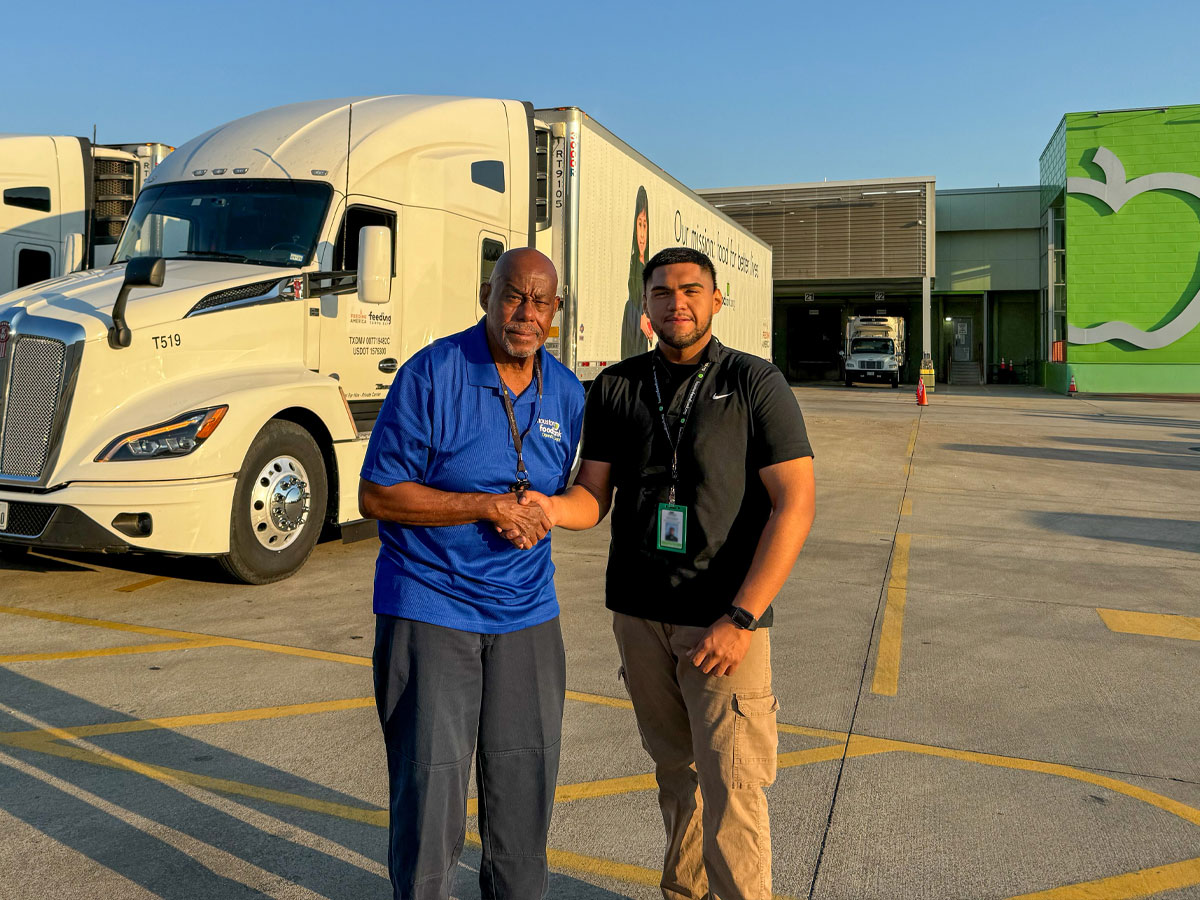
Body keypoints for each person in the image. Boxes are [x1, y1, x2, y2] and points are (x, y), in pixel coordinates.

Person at [523, 246, 815, 900]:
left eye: (690, 290)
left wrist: (741, 619)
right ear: (646, 305)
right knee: (675, 777)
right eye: (662, 292)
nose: (676, 302)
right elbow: (593, 496)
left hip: (723, 622)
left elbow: (795, 504)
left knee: (734, 789)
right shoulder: (619, 386)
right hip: (640, 619)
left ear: (716, 300)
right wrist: (546, 508)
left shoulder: (753, 383)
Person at [359, 248, 585, 900]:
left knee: (524, 791)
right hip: (431, 604)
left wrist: (543, 513)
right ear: (487, 295)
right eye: (513, 296)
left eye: (540, 301)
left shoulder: (566, 393)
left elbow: (572, 497)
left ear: (556, 311)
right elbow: (378, 494)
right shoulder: (433, 374)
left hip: (526, 614)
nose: (525, 313)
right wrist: (483, 505)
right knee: (430, 791)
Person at [621, 186, 655, 359]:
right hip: (632, 325)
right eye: (639, 225)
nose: (642, 234)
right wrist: (641, 316)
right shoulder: (633, 264)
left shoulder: (649, 265)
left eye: (644, 225)